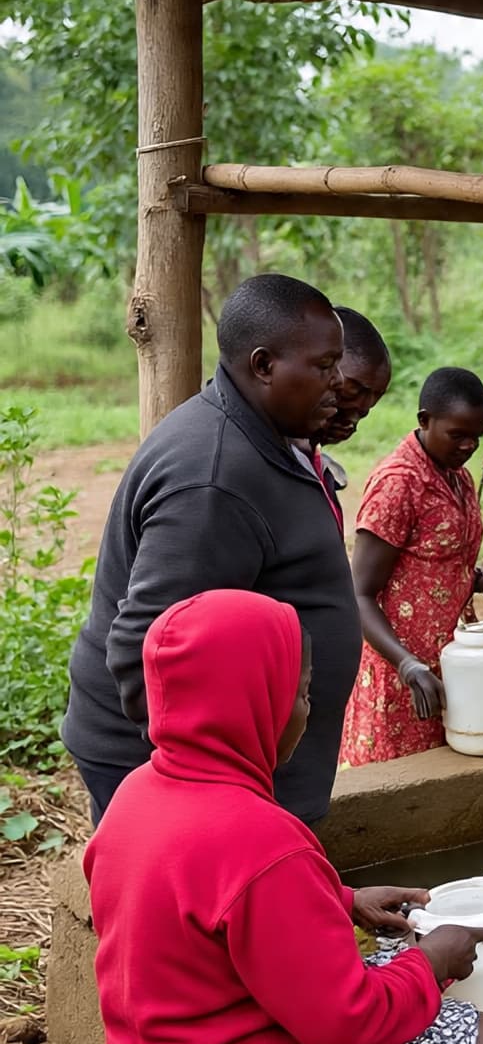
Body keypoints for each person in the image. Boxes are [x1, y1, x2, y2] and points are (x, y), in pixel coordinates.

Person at [85, 589, 483, 1044]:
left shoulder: (136, 799)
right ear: (248, 702)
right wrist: (433, 962)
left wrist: (342, 901)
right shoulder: (262, 841)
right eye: (301, 692)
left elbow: (202, 917)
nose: (307, 710)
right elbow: (349, 1024)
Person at [62, 274, 362, 827]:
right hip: (190, 779)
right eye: (324, 367)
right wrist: (219, 801)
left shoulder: (264, 436)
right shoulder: (213, 480)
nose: (339, 383)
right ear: (264, 365)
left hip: (248, 767)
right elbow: (142, 651)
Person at [341, 368, 483, 766]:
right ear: (425, 420)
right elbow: (358, 594)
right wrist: (407, 664)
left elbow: (447, 558)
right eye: (458, 435)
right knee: (401, 790)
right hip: (403, 680)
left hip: (453, 668)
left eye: (477, 437)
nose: (469, 446)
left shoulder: (457, 477)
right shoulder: (399, 484)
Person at [289, 306, 394, 527]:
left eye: (376, 396)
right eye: (354, 390)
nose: (364, 406)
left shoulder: (311, 458)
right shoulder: (271, 459)